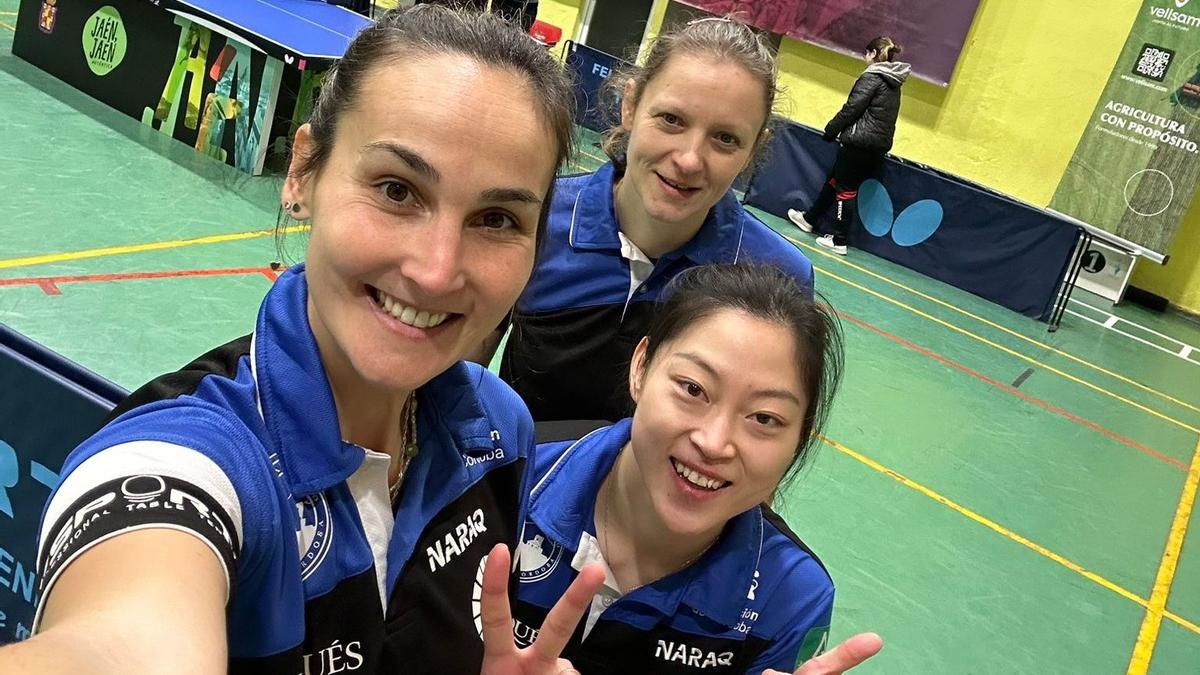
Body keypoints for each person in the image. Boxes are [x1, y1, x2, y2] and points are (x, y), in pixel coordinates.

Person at [0, 7, 605, 674]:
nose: (436, 269)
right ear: (304, 172)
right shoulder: (193, 462)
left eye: (496, 218)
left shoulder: (498, 428)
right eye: (397, 189)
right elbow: (123, 640)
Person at [511, 264, 879, 674]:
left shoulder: (790, 598)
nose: (714, 443)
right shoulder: (502, 479)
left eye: (764, 418)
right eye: (693, 389)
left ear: (799, 440)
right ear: (641, 368)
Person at [498, 17, 815, 424]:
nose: (688, 159)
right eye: (671, 120)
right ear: (630, 105)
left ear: (754, 149)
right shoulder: (539, 215)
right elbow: (458, 383)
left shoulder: (779, 276)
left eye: (725, 138)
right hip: (517, 482)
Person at [787, 37, 909, 256]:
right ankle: (809, 219)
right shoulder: (894, 82)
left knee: (845, 190)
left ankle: (839, 240)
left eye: (865, 53)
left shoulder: (872, 77)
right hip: (876, 147)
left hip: (858, 144)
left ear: (872, 53)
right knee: (835, 181)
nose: (864, 58)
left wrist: (831, 130)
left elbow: (852, 108)